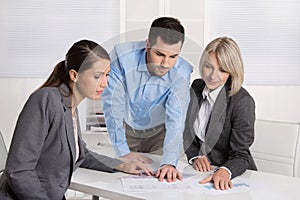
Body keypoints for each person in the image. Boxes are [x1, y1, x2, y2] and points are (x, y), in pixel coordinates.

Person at [0, 40, 153, 200]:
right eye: (97, 76)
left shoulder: (70, 105)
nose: (105, 83)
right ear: (74, 75)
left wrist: (121, 165)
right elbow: (18, 170)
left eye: (107, 75)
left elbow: (82, 154)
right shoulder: (46, 99)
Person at [102, 17, 193, 182]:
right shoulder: (122, 57)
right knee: (122, 179)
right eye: (159, 54)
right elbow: (112, 105)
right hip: (126, 129)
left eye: (173, 56)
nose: (166, 64)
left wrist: (170, 163)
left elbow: (177, 118)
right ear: (147, 45)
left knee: (157, 181)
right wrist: (122, 151)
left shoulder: (182, 72)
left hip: (159, 134)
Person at [183, 37, 257, 190]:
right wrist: (195, 156)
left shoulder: (242, 102)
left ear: (232, 71)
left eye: (222, 70)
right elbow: (187, 131)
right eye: (209, 67)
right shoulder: (197, 87)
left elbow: (241, 154)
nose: (212, 76)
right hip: (202, 175)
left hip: (234, 176)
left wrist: (225, 171)